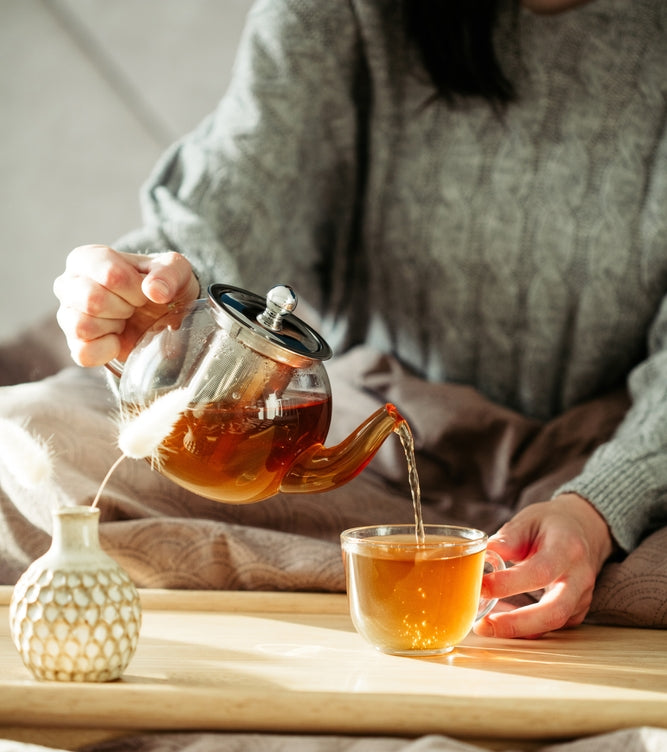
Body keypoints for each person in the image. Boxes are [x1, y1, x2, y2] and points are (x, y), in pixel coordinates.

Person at [41, 0, 667, 637]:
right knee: (33, 436)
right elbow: (227, 203)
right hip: (378, 454)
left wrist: (597, 510)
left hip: (600, 460)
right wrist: (149, 292)